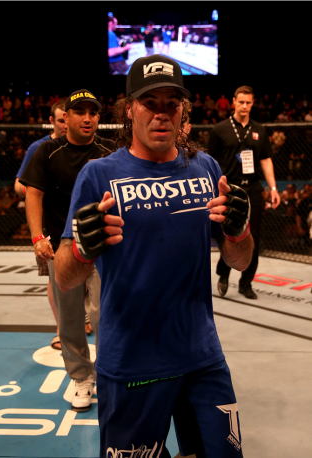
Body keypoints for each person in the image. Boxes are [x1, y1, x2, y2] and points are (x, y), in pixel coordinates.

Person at [55, 55, 254, 456]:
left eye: (171, 103)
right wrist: (81, 248)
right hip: (131, 362)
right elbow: (66, 277)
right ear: (129, 109)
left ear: (183, 111)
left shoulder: (205, 168)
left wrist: (239, 230)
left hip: (202, 357)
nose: (162, 114)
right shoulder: (98, 175)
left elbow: (240, 261)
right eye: (151, 102)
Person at [19, 89, 115, 412]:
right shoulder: (46, 151)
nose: (87, 118)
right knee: (71, 319)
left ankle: (108, 372)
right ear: (67, 117)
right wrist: (36, 239)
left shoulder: (110, 151)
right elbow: (33, 194)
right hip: (64, 246)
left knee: (106, 314)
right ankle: (81, 378)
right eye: (80, 112)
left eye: (93, 112)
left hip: (104, 248)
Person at [208, 85, 280, 300]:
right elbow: (210, 162)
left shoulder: (259, 129)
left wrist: (273, 188)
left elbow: (266, 159)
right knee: (230, 235)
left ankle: (246, 283)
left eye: (248, 102)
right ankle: (223, 272)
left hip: (253, 188)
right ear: (234, 102)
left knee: (253, 237)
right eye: (241, 102)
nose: (245, 106)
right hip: (229, 188)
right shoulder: (219, 129)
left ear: (253, 103)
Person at [14, 100, 67, 350]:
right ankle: (60, 329)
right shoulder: (39, 147)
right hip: (48, 224)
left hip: (78, 222)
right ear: (52, 121)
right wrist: (39, 189)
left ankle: (82, 321)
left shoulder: (88, 145)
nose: (66, 124)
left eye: (69, 118)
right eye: (61, 120)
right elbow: (18, 185)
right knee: (52, 279)